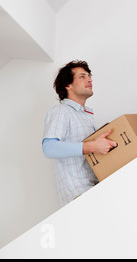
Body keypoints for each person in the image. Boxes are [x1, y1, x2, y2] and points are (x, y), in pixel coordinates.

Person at [42, 60, 117, 207]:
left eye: (89, 76)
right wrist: (92, 146)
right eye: (82, 76)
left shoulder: (86, 115)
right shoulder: (60, 111)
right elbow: (48, 147)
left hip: (94, 187)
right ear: (68, 85)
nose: (89, 80)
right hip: (77, 193)